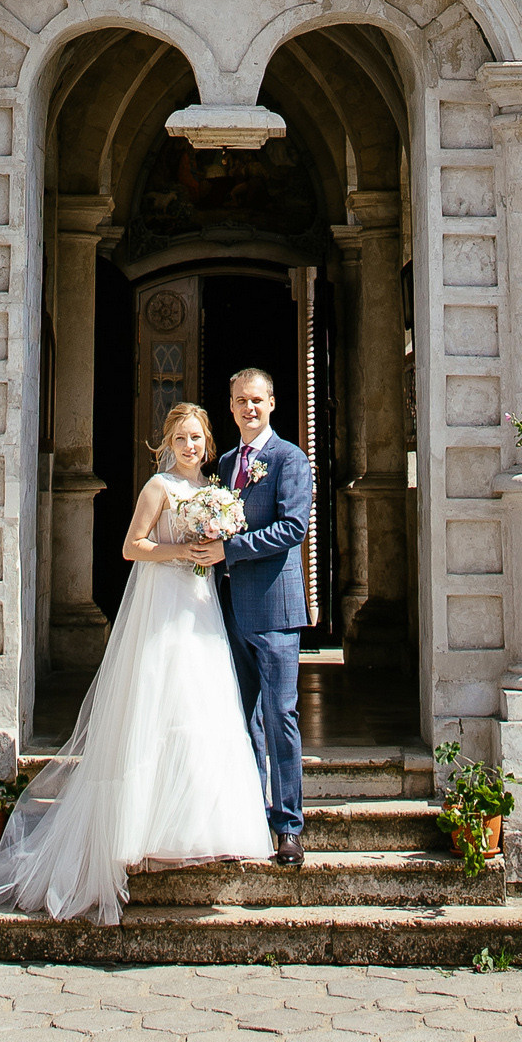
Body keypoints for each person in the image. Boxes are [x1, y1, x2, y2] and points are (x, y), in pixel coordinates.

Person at [0, 400, 272, 925]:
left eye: (198, 438)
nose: (191, 446)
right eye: (182, 438)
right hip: (162, 603)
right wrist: (181, 552)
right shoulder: (158, 488)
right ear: (167, 443)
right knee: (159, 704)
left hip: (200, 608)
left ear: (208, 442)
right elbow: (131, 547)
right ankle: (137, 830)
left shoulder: (213, 492)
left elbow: (215, 546)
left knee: (200, 708)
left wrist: (214, 544)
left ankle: (187, 830)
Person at [214, 364, 312, 865]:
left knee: (280, 716)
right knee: (241, 718)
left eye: (256, 400)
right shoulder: (228, 462)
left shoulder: (290, 460)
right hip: (232, 610)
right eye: (239, 401)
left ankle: (289, 826)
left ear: (271, 403)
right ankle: (248, 815)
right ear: (230, 407)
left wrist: (229, 550)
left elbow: (292, 528)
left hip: (275, 609)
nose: (248, 409)